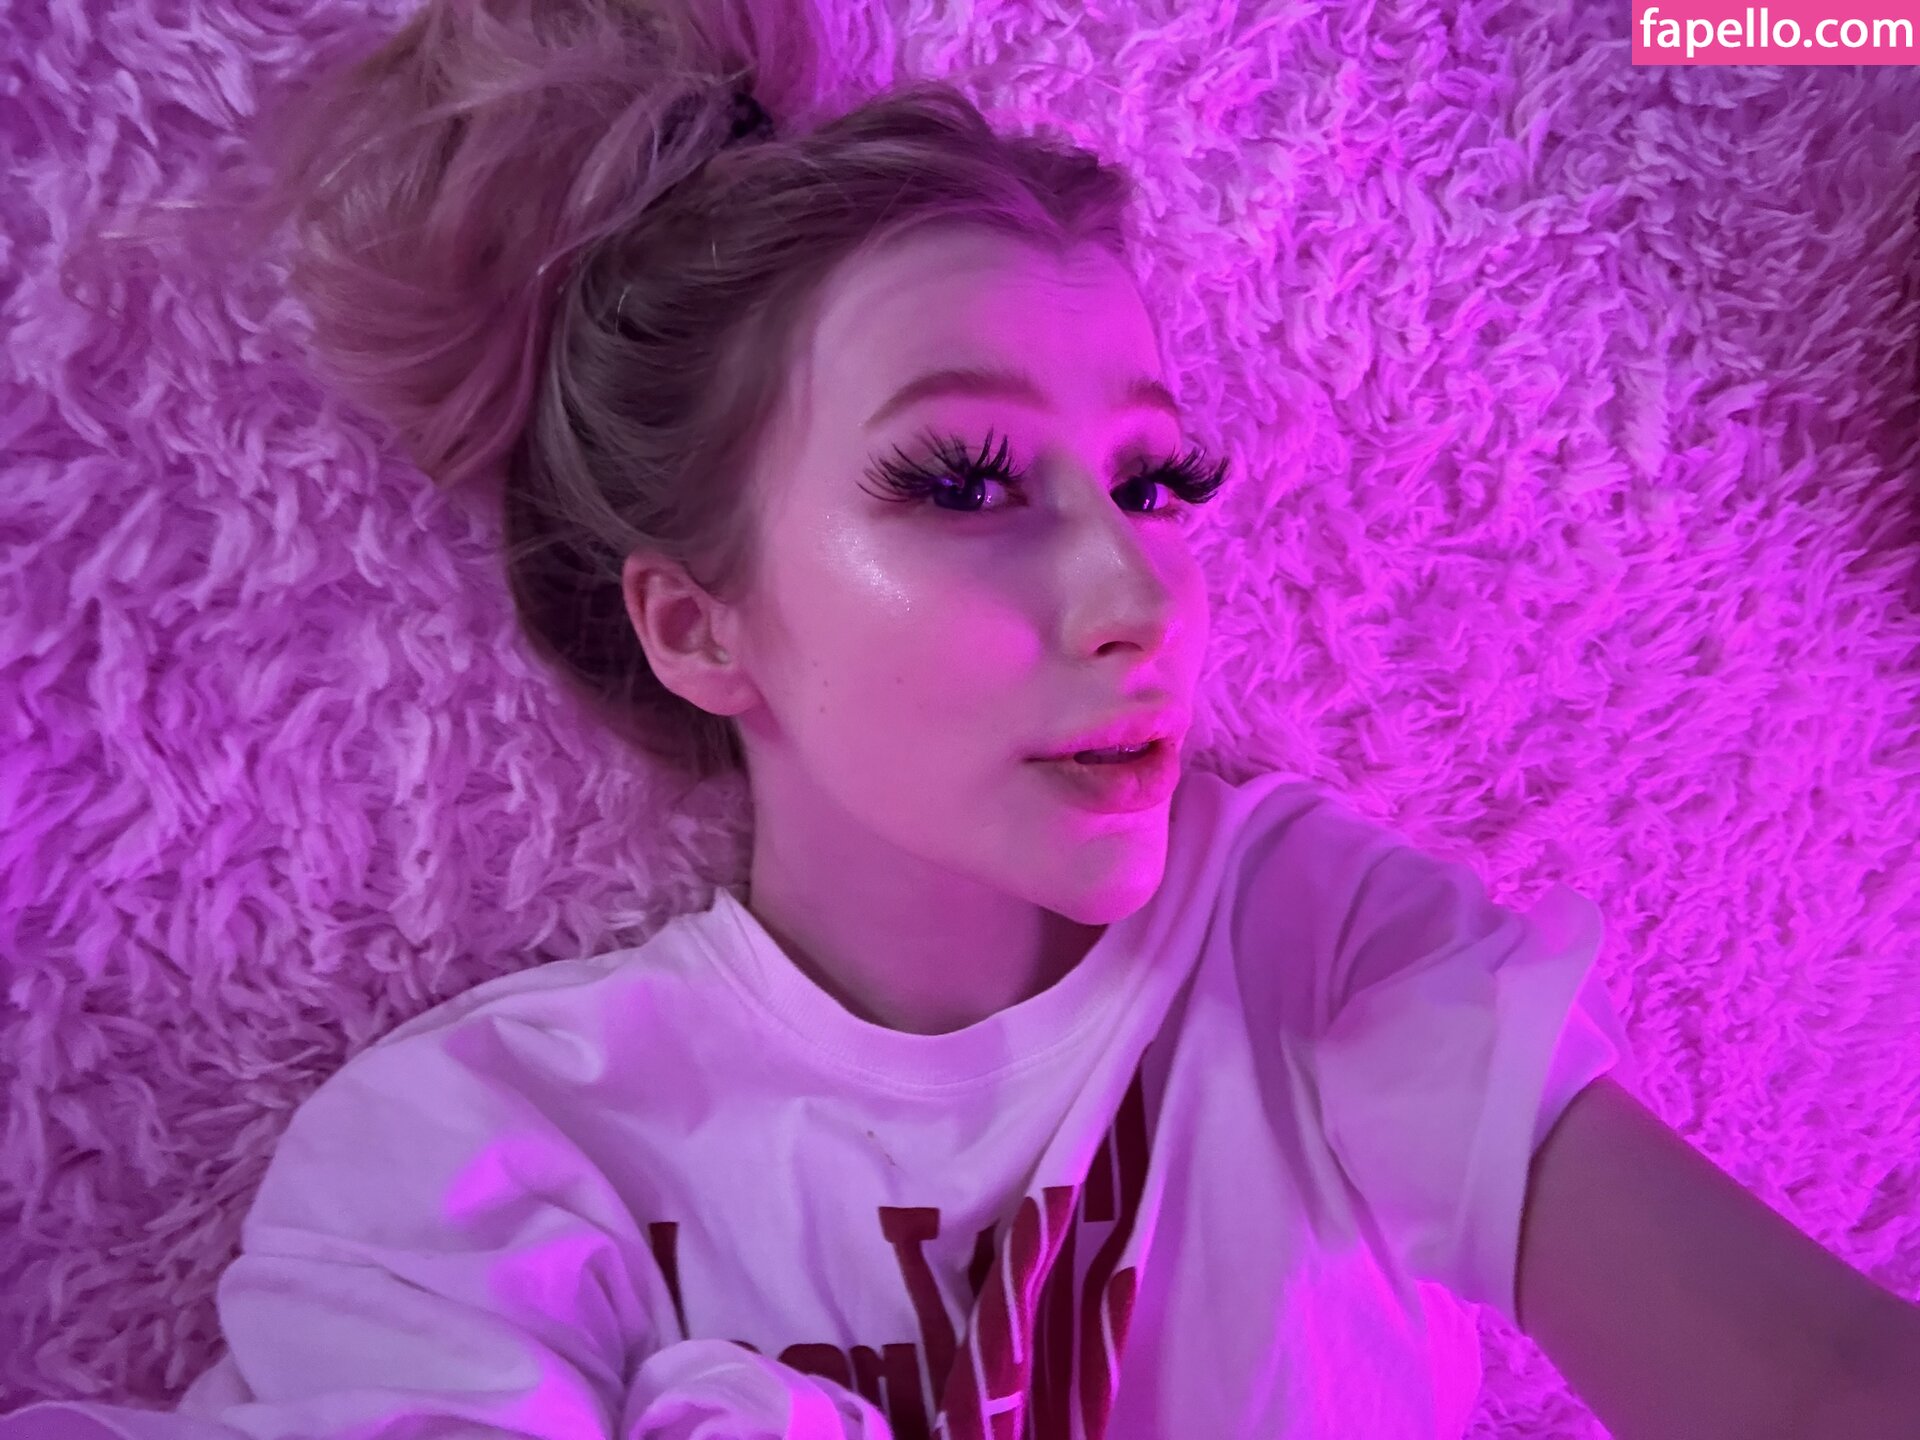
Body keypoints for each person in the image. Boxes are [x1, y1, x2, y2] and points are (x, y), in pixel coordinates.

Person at [4, 1, 1642, 1436]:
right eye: (965, 482)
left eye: (1155, 481)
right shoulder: (488, 1152)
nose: (1140, 595)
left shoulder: (1310, 941)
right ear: (699, 624)